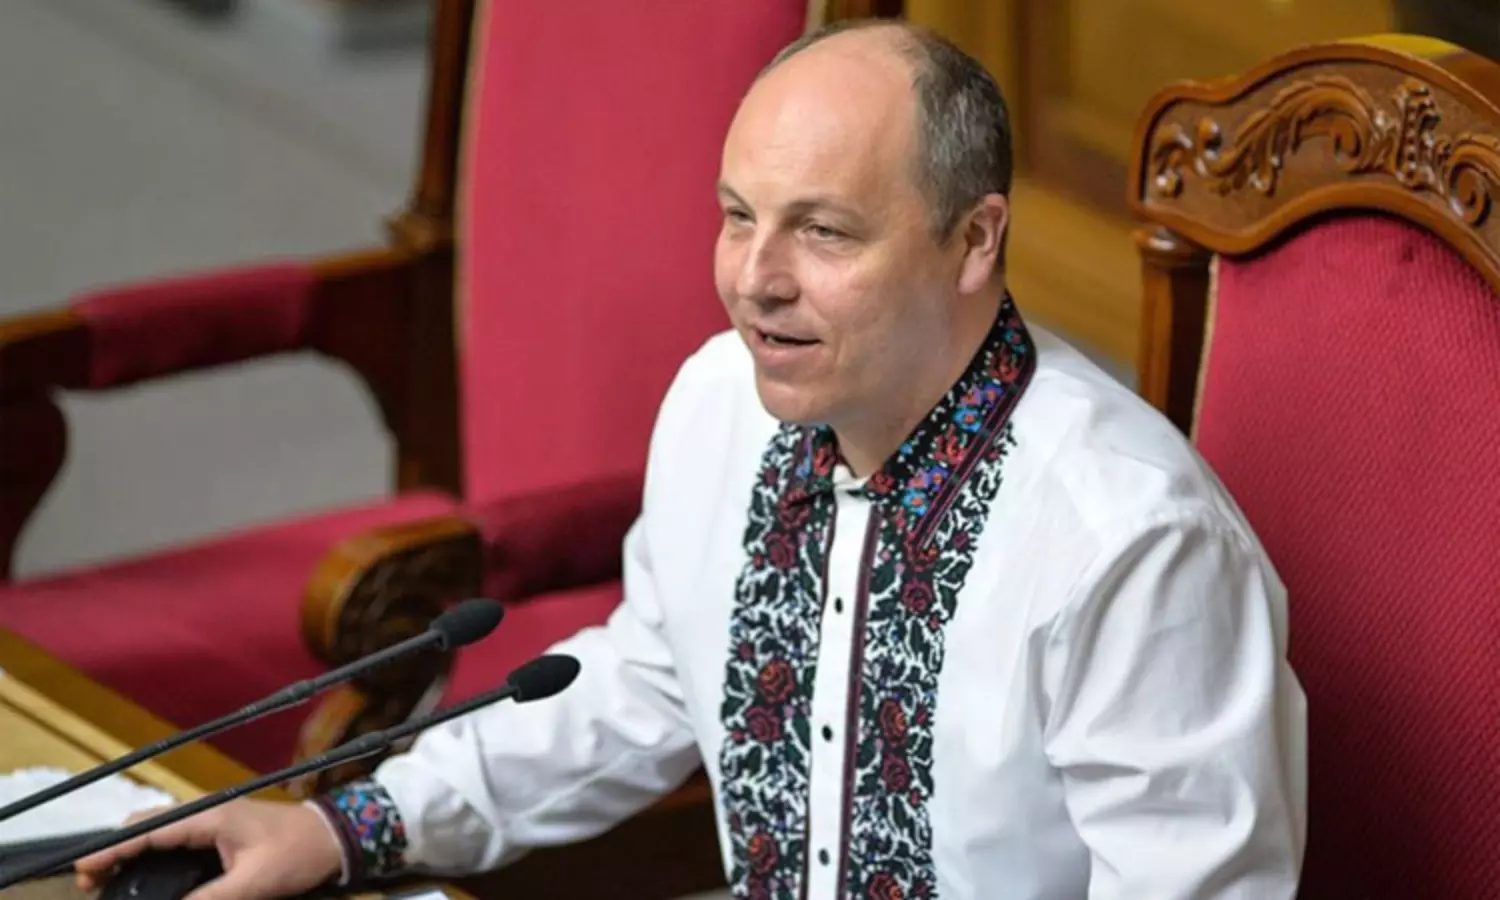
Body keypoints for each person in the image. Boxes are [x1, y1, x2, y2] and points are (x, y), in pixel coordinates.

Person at [77, 19, 1306, 900]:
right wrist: (350, 828)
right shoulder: (724, 401)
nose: (755, 281)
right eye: (737, 216)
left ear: (974, 240)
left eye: (823, 232)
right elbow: (650, 681)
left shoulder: (1129, 545)